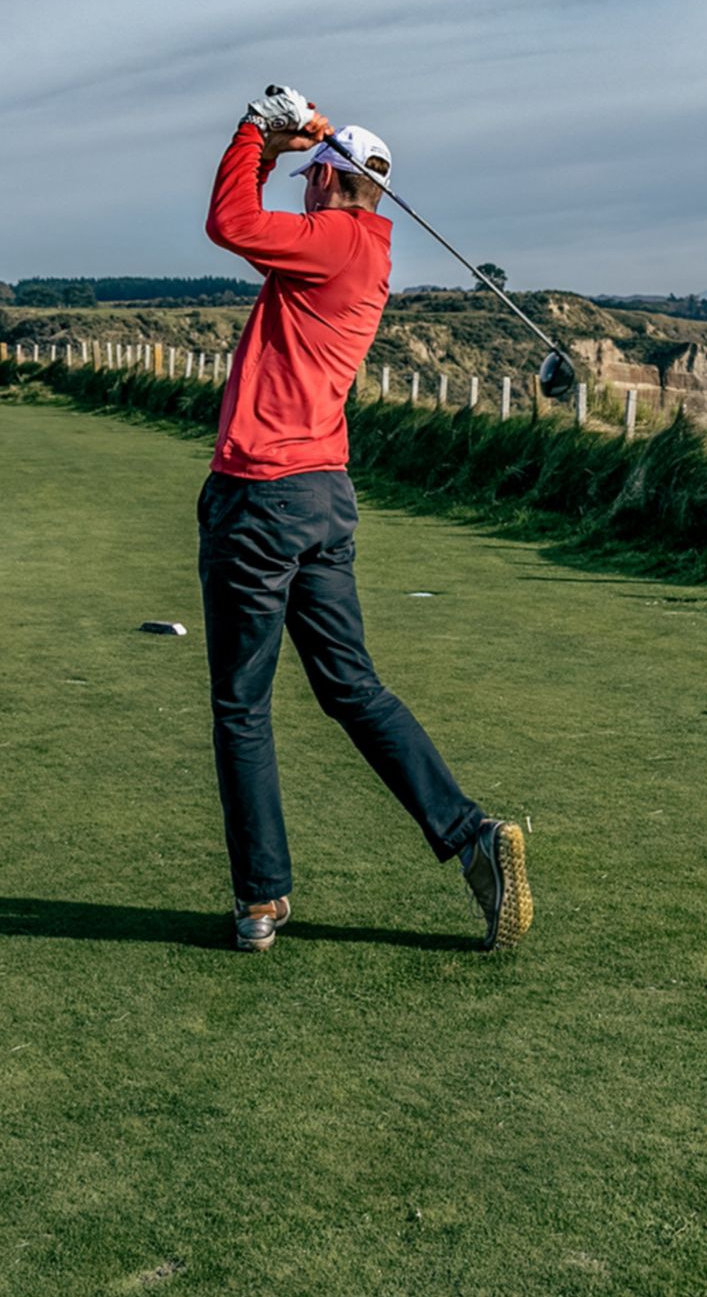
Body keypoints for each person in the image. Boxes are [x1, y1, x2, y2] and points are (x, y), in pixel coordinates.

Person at [195, 87, 531, 954]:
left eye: (314, 177)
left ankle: (261, 900)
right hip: (323, 497)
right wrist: (301, 135)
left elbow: (230, 221)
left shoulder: (330, 239)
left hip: (260, 494)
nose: (303, 188)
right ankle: (469, 837)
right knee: (350, 687)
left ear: (335, 182)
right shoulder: (368, 248)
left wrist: (255, 134)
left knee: (241, 704)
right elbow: (272, 219)